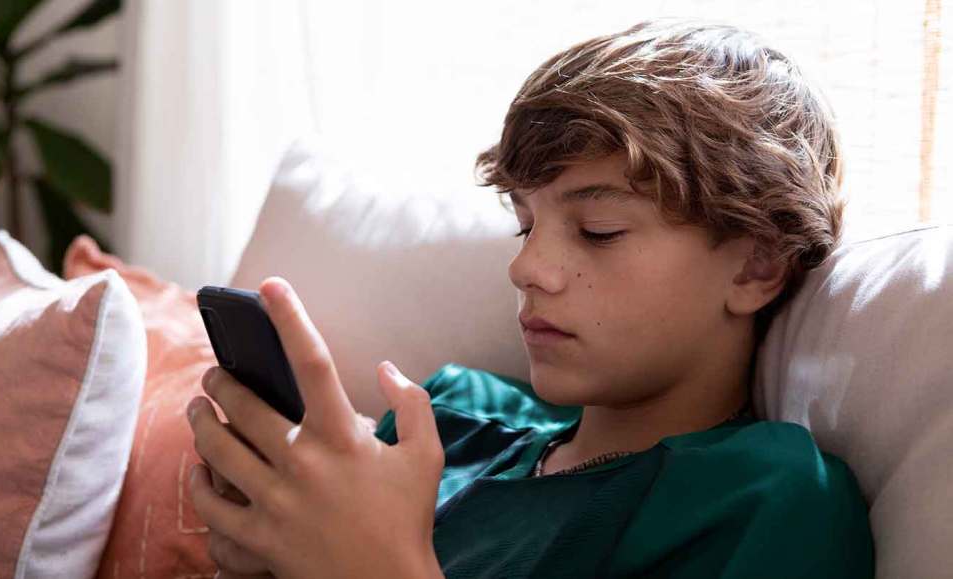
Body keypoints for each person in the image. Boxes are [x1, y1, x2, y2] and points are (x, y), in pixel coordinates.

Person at [185, 17, 875, 579]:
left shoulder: (764, 498)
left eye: (598, 230)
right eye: (525, 222)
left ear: (757, 264)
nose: (527, 265)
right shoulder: (447, 423)